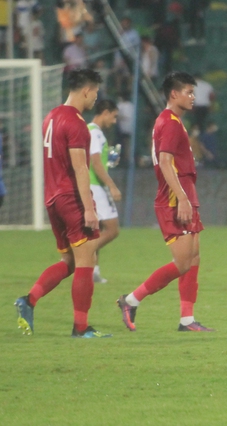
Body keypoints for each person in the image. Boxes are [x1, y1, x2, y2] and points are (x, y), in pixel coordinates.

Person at [14, 68, 111, 338]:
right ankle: (81, 328)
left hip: (52, 199)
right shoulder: (77, 123)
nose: (96, 97)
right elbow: (81, 168)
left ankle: (29, 300)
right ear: (86, 90)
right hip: (72, 199)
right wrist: (90, 209)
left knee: (69, 261)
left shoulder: (51, 117)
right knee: (86, 261)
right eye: (96, 92)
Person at [117, 72, 213, 332]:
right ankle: (130, 300)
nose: (193, 97)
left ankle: (187, 320)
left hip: (185, 194)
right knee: (182, 263)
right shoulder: (169, 122)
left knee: (193, 259)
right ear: (174, 94)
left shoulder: (174, 121)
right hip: (174, 197)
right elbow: (165, 162)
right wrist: (181, 197)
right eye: (189, 92)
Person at [88, 100, 121, 285]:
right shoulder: (95, 133)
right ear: (105, 112)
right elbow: (95, 162)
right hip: (95, 186)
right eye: (114, 116)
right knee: (112, 229)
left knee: (96, 230)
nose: (114, 121)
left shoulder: (89, 131)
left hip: (90, 185)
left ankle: (94, 270)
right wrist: (111, 185)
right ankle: (81, 255)